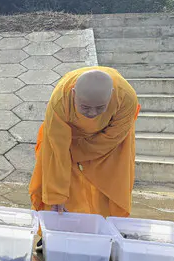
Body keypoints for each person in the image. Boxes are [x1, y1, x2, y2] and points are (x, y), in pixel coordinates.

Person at [29, 67, 140, 219]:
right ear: (74, 93)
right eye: (85, 107)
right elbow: (57, 149)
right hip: (68, 138)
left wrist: (72, 153)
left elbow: (112, 138)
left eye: (100, 107)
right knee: (56, 188)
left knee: (111, 186)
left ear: (112, 94)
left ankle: (107, 225)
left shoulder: (126, 97)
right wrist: (56, 195)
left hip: (109, 145)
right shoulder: (61, 100)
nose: (92, 113)